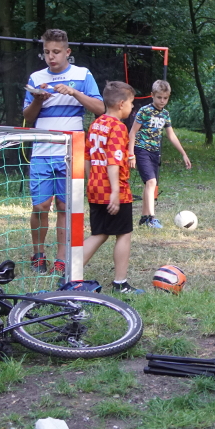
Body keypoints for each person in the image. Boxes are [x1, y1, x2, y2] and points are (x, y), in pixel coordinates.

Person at [22, 29, 104, 276]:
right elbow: (28, 117)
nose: (51, 56)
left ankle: (61, 258)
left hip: (71, 153)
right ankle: (38, 254)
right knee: (40, 206)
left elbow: (100, 108)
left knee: (63, 206)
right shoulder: (36, 78)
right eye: (47, 52)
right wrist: (38, 99)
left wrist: (75, 93)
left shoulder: (83, 75)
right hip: (41, 151)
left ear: (67, 52)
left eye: (56, 52)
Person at [82, 81, 144, 294]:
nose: (132, 107)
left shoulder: (96, 124)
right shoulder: (118, 127)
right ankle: (120, 283)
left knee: (99, 233)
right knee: (124, 234)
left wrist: (92, 181)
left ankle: (71, 274)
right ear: (120, 104)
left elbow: (87, 157)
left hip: (95, 188)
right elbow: (113, 161)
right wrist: (116, 192)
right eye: (131, 103)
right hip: (114, 190)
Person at [127, 80, 191, 228]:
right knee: (151, 182)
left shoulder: (165, 114)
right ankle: (152, 218)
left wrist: (183, 153)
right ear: (152, 95)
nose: (162, 101)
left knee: (149, 184)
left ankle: (144, 217)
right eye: (159, 97)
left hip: (155, 152)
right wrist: (131, 154)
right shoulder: (144, 111)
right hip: (141, 149)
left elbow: (171, 135)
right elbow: (132, 132)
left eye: (165, 98)